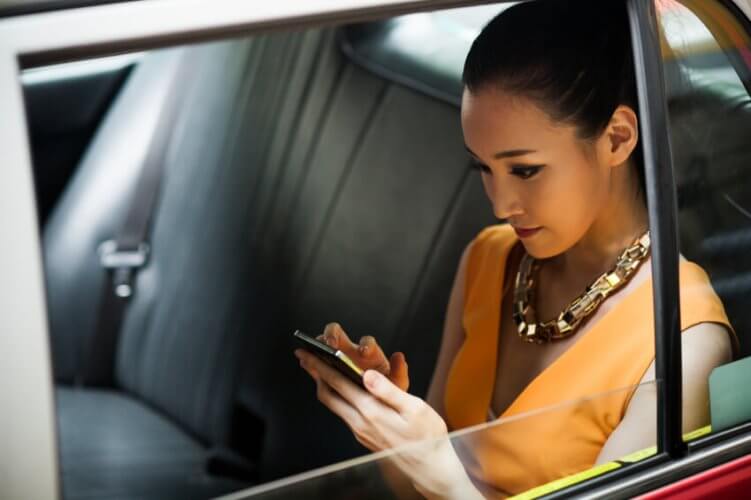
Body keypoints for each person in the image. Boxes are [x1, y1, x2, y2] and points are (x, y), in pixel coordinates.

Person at [294, 0, 736, 497]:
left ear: (616, 138)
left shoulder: (684, 343)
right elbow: (416, 491)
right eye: (482, 169)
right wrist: (394, 426)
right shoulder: (488, 261)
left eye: (525, 170)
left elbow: (443, 482)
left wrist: (439, 465)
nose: (501, 205)